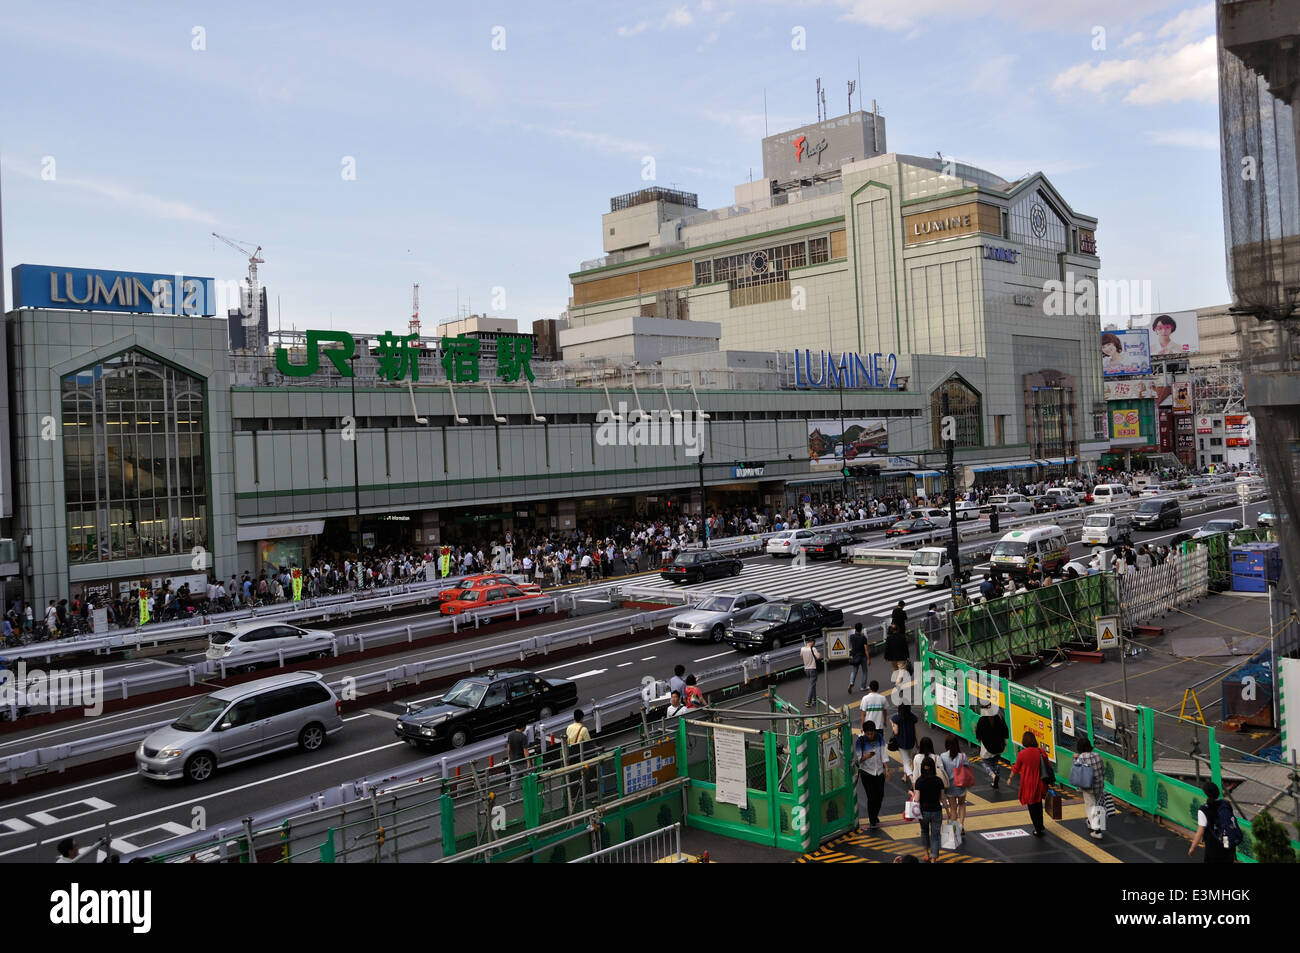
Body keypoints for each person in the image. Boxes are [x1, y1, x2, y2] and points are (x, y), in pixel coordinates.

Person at [1010, 732, 1051, 836]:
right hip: (1041, 782)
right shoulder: (1041, 751)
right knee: (1038, 804)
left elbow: (1016, 767)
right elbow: (1048, 765)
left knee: (1032, 806)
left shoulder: (1022, 754)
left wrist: (1010, 778)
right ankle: (1040, 825)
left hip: (1028, 783)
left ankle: (1037, 828)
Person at [1189, 781, 1239, 863]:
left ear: (1205, 794)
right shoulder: (1226, 804)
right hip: (1226, 841)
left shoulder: (1203, 810)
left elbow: (1200, 831)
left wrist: (1193, 847)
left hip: (1213, 844)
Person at [854, 720, 889, 830]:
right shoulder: (860, 741)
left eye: (872, 733)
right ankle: (872, 820)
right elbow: (858, 760)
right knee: (871, 797)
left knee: (880, 796)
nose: (870, 735)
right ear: (864, 732)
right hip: (866, 773)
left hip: (879, 771)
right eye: (868, 734)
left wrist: (886, 770)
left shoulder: (879, 738)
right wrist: (867, 756)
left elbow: (884, 754)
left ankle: (874, 815)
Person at [913, 756, 947, 862]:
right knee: (935, 835)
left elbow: (917, 799)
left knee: (924, 831)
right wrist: (948, 811)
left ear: (922, 768)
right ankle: (933, 858)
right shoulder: (938, 781)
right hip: (936, 811)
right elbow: (942, 798)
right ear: (933, 767)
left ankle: (926, 853)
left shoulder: (919, 781)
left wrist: (911, 793)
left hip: (923, 812)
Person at [1071, 736, 1106, 839]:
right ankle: (1093, 823)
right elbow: (1103, 770)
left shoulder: (1081, 758)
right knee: (1097, 805)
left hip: (1088, 786)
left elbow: (1076, 771)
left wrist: (1075, 759)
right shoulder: (1098, 755)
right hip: (1099, 785)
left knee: (1090, 807)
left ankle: (1097, 831)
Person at [939, 736, 971, 830]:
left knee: (953, 808)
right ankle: (961, 825)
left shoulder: (943, 756)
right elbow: (966, 769)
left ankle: (954, 829)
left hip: (950, 786)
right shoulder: (963, 756)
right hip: (961, 785)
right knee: (962, 804)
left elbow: (942, 771)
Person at [975, 705, 1009, 789]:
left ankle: (993, 776)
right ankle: (995, 780)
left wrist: (980, 739)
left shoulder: (982, 720)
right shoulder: (999, 717)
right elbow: (1005, 731)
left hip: (988, 747)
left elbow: (978, 735)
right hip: (999, 746)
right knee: (995, 762)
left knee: (984, 762)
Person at [891, 702, 919, 781]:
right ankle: (905, 776)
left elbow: (895, 732)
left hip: (901, 742)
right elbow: (915, 731)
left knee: (906, 762)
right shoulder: (912, 717)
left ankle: (912, 779)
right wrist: (917, 743)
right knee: (908, 759)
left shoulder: (896, 718)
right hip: (911, 741)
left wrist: (892, 724)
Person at [506, 721, 531, 803]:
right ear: (523, 727)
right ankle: (529, 794)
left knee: (513, 780)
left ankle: (512, 797)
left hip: (512, 761)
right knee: (528, 777)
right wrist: (528, 762)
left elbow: (508, 746)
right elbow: (525, 750)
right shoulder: (523, 737)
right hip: (521, 761)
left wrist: (509, 756)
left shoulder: (510, 735)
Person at [801, 636, 822, 707]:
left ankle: (814, 700)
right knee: (811, 685)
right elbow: (818, 657)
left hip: (806, 669)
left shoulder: (802, 649)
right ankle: (808, 701)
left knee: (812, 684)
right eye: (814, 643)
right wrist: (819, 654)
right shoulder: (813, 649)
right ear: (812, 642)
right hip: (813, 668)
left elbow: (801, 657)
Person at [847, 622, 868, 693]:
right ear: (861, 629)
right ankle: (863, 686)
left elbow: (852, 646)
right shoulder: (863, 637)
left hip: (855, 656)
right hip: (862, 656)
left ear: (855, 629)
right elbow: (866, 649)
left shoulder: (852, 636)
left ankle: (851, 683)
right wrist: (869, 659)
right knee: (864, 671)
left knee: (854, 671)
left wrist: (851, 654)